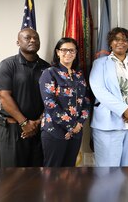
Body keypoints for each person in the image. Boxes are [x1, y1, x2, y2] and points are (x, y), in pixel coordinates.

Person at [89, 27, 128, 166]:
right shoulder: (99, 64)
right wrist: (124, 110)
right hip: (108, 124)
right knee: (107, 170)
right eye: (116, 39)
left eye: (124, 40)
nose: (120, 42)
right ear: (110, 43)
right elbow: (99, 90)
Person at [0, 28, 50, 167]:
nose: (32, 40)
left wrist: (36, 123)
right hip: (13, 129)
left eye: (36, 38)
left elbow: (51, 99)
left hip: (39, 129)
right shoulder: (7, 65)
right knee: (11, 178)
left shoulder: (47, 68)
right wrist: (25, 123)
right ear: (18, 42)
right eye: (28, 38)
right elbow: (3, 97)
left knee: (37, 178)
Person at [39, 38, 90, 167]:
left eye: (71, 50)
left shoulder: (79, 74)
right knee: (52, 173)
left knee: (70, 174)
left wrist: (79, 124)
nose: (68, 53)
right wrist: (71, 125)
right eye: (64, 50)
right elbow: (49, 103)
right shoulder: (49, 73)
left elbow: (87, 101)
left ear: (76, 53)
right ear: (57, 52)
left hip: (76, 132)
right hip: (54, 131)